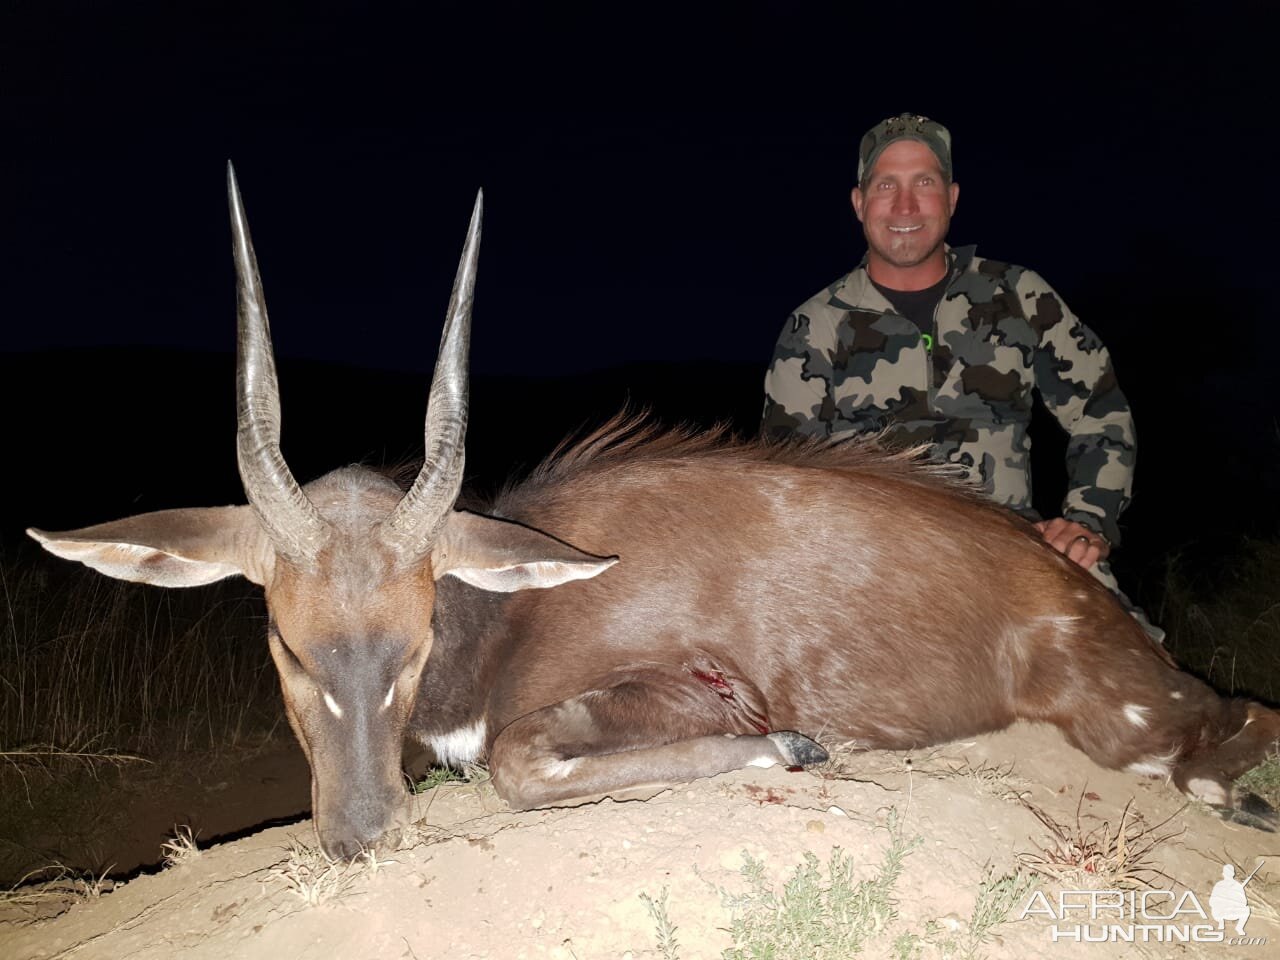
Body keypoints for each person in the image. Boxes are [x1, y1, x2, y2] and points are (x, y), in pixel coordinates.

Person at [762, 113, 1159, 638]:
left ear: (951, 198)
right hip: (872, 566)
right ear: (860, 204)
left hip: (1014, 546)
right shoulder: (815, 325)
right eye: (887, 186)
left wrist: (1088, 520)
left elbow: (1100, 411)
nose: (906, 206)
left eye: (923, 183)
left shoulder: (1019, 295)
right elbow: (783, 481)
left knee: (1140, 667)